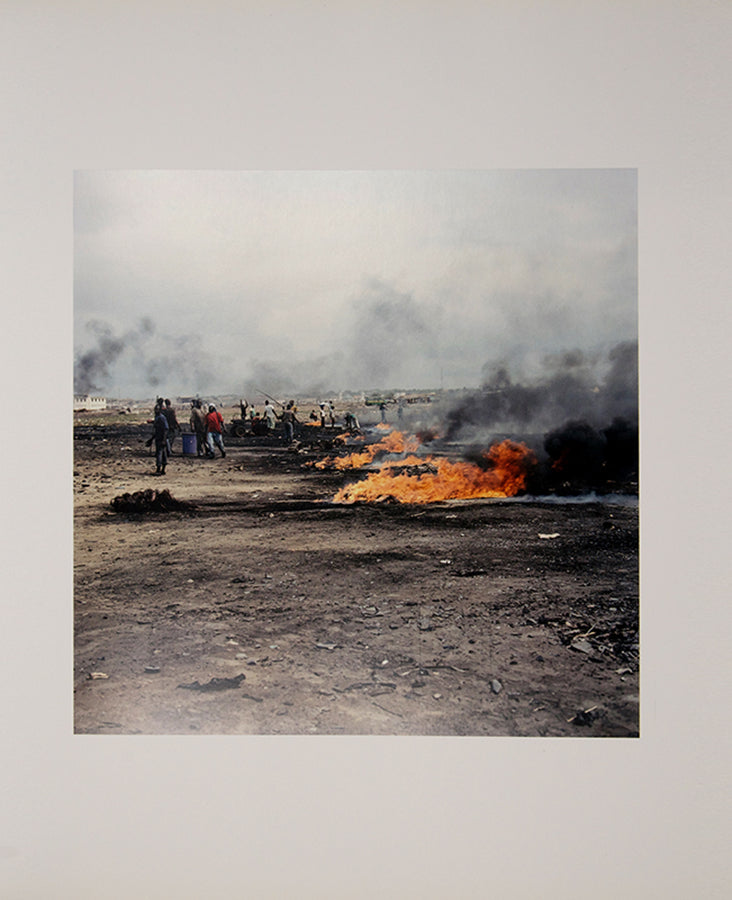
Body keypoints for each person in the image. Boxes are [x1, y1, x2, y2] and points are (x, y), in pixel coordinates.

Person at [152, 405, 169, 475]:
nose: (156, 411)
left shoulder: (162, 418)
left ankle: (160, 469)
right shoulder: (157, 417)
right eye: (155, 410)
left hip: (162, 438)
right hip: (158, 437)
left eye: (157, 410)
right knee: (161, 453)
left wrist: (164, 439)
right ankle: (160, 469)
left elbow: (165, 429)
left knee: (160, 453)